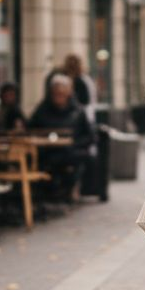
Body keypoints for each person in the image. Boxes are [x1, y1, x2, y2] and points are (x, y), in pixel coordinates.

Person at [29, 73, 95, 202]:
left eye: (62, 94)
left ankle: (69, 189)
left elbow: (90, 136)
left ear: (68, 93)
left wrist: (73, 144)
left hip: (69, 152)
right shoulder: (43, 110)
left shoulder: (78, 111)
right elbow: (31, 128)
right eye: (56, 94)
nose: (58, 97)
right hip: (47, 151)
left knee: (74, 160)